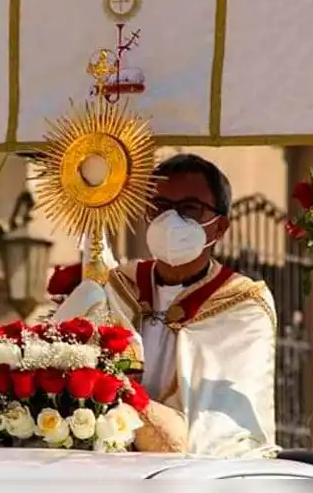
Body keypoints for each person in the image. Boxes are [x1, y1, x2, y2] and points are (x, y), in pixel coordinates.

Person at [50, 153, 278, 458]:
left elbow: (220, 427)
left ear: (220, 227)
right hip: (107, 464)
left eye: (189, 208)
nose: (170, 220)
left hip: (186, 470)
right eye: (160, 206)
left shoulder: (242, 305)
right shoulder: (117, 287)